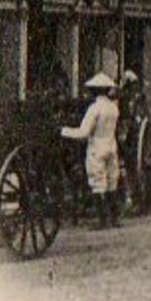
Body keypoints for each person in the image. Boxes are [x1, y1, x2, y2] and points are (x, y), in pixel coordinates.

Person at [60, 72, 123, 229]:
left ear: (94, 91)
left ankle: (102, 221)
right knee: (111, 181)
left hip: (96, 147)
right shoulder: (113, 108)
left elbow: (83, 133)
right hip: (111, 145)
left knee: (97, 183)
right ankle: (114, 219)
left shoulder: (94, 109)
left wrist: (63, 131)